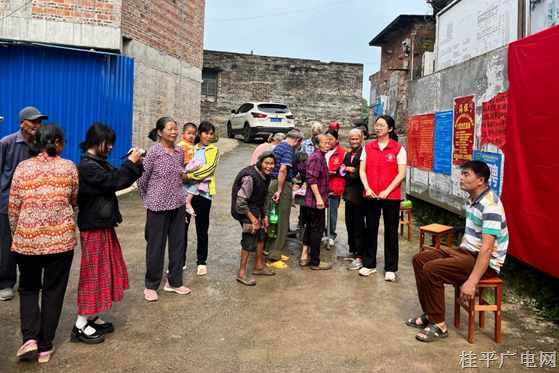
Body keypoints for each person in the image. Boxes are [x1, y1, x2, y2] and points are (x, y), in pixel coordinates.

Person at [408, 160, 508, 343]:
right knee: (419, 259)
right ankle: (431, 314)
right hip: (466, 252)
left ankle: (439, 325)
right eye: (462, 174)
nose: (461, 178)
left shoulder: (491, 205)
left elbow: (486, 249)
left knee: (432, 269)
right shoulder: (473, 199)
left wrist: (471, 282)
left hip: (484, 261)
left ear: (481, 180)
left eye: (466, 174)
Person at [9, 124, 78, 363]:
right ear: (57, 142)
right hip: (60, 241)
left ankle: (29, 339)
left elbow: (14, 206)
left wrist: (17, 234)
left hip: (26, 241)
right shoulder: (68, 167)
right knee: (53, 291)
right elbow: (73, 199)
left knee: (28, 289)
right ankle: (45, 346)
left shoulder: (23, 167)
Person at [72, 123, 144, 344]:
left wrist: (136, 164)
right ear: (96, 141)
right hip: (93, 227)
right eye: (108, 142)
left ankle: (91, 316)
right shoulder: (86, 166)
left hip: (102, 225)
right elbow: (113, 181)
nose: (111, 146)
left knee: (104, 271)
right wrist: (130, 164)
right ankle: (80, 324)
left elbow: (121, 178)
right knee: (92, 274)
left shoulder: (98, 163)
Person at [138, 117, 191, 302]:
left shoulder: (179, 152)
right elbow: (142, 180)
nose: (174, 132)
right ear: (160, 132)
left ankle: (174, 282)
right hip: (157, 206)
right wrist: (148, 199)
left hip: (178, 203)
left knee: (178, 244)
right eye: (170, 129)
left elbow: (180, 176)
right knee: (156, 247)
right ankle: (151, 285)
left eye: (176, 129)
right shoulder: (154, 153)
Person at [0, 106, 47, 301]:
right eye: (33, 121)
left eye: (39, 121)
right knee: (7, 246)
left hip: (34, 205)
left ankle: (31, 281)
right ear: (22, 123)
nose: (37, 125)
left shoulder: (41, 145)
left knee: (34, 243)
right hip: (7, 203)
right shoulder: (7, 143)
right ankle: (5, 283)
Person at [358, 115, 406, 282]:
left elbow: (401, 174)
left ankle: (391, 268)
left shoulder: (398, 149)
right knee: (370, 229)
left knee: (391, 232)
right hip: (371, 194)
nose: (377, 128)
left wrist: (387, 190)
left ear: (390, 129)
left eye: (381, 125)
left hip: (390, 197)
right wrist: (367, 188)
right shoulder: (368, 147)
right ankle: (369, 264)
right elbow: (362, 170)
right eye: (376, 125)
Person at [231, 151, 277, 285]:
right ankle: (241, 273)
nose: (269, 166)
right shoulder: (249, 177)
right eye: (266, 163)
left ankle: (259, 266)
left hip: (256, 207)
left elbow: (264, 197)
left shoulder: (266, 176)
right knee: (249, 238)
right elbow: (240, 202)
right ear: (260, 162)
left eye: (272, 163)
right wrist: (253, 219)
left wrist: (265, 216)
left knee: (262, 235)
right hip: (244, 210)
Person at [183, 121, 219, 276]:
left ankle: (201, 261)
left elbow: (209, 169)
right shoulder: (189, 147)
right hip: (184, 194)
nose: (209, 136)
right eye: (206, 133)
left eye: (211, 133)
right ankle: (180, 260)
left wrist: (188, 176)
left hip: (203, 194)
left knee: (202, 229)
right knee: (181, 229)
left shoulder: (213, 149)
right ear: (200, 133)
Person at [265, 129, 303, 261]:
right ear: (297, 141)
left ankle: (266, 246)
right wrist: (280, 190)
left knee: (271, 215)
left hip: (272, 182)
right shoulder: (288, 149)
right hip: (281, 183)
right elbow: (283, 169)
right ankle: (276, 250)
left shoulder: (278, 146)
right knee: (282, 217)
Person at [299, 134, 332, 270]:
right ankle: (315, 262)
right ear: (317, 145)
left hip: (316, 200)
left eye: (328, 142)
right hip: (315, 201)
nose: (328, 144)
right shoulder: (316, 157)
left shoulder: (320, 157)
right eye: (324, 142)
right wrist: (319, 198)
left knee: (311, 228)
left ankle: (304, 257)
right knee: (316, 231)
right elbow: (311, 179)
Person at [343, 128, 366, 269]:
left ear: (361, 139)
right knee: (349, 224)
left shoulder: (364, 153)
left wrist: (351, 170)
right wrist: (349, 170)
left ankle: (360, 256)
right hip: (348, 196)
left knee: (358, 226)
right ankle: (353, 251)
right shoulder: (348, 154)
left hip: (359, 196)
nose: (354, 141)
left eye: (356, 139)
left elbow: (359, 174)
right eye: (352, 139)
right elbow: (342, 170)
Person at [324, 129, 346, 248]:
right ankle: (324, 233)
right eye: (326, 139)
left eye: (331, 139)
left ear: (336, 140)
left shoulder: (342, 153)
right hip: (322, 187)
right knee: (320, 212)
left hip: (334, 186)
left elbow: (344, 170)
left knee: (332, 213)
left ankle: (331, 234)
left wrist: (335, 172)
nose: (328, 141)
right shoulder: (322, 151)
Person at [178, 122, 198, 216]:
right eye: (189, 133)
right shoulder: (182, 145)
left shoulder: (192, 145)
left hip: (189, 170)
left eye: (193, 134)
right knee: (195, 183)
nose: (191, 136)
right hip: (185, 170)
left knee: (191, 186)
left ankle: (186, 201)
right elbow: (184, 161)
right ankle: (187, 201)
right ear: (183, 134)